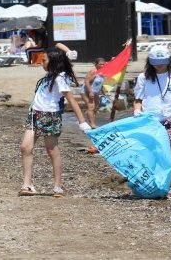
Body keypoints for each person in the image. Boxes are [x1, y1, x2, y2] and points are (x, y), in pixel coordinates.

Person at [19, 46, 91, 198]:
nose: (41, 63)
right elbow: (57, 44)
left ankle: (58, 185)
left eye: (44, 60)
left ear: (53, 62)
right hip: (34, 114)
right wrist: (69, 52)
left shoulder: (60, 77)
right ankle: (27, 184)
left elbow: (72, 101)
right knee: (25, 147)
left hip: (50, 116)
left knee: (52, 150)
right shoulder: (48, 76)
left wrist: (82, 122)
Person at [133, 45, 171, 169]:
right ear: (150, 61)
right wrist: (137, 111)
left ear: (169, 60)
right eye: (155, 62)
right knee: (151, 151)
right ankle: (151, 178)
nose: (159, 65)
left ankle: (166, 180)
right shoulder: (143, 77)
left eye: (162, 62)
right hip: (149, 119)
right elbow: (138, 99)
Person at [80, 58, 106, 129]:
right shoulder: (93, 71)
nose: (102, 65)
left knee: (96, 108)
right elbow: (87, 81)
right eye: (100, 64)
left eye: (104, 64)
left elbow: (100, 84)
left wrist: (104, 93)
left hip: (95, 92)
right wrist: (90, 92)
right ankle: (92, 124)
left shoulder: (102, 72)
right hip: (86, 91)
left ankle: (93, 123)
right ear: (96, 64)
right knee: (91, 107)